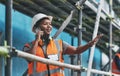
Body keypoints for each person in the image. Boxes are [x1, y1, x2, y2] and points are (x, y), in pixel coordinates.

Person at [23, 13, 103, 76]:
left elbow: (76, 50)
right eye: (45, 24)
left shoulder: (59, 44)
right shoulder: (29, 46)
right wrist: (37, 40)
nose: (49, 26)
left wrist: (89, 44)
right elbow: (30, 58)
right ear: (37, 28)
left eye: (50, 24)